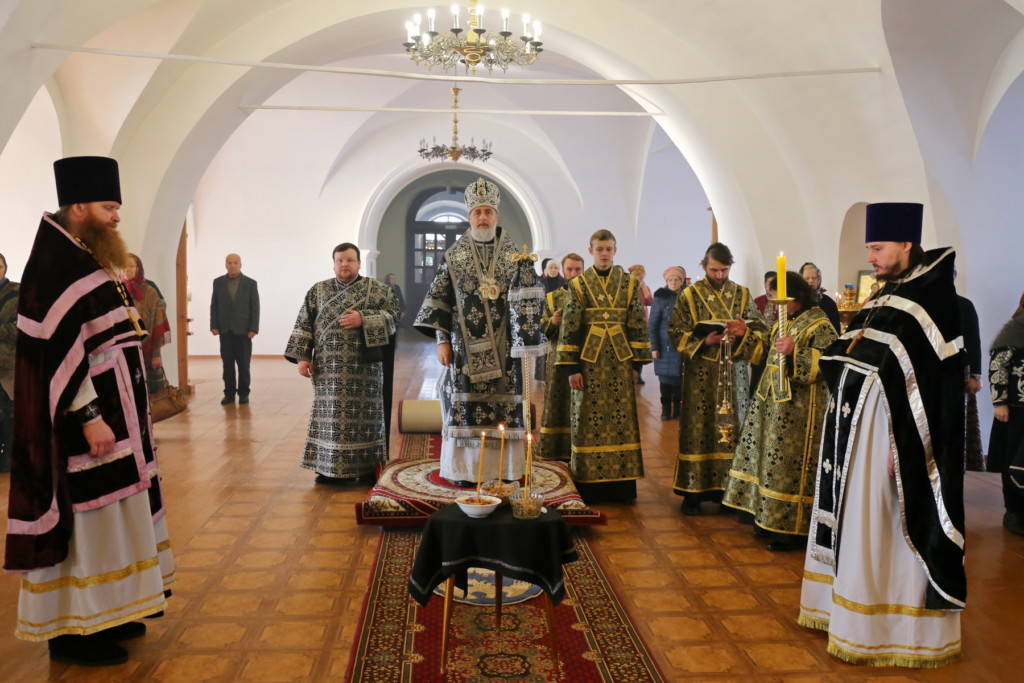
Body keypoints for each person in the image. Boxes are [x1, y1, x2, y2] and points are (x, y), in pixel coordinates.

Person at [4, 156, 174, 666]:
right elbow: (56, 355)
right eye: (108, 207)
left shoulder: (84, 257)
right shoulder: (56, 268)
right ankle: (73, 631)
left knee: (117, 518)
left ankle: (112, 613)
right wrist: (89, 416)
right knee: (90, 524)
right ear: (78, 206)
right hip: (88, 423)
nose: (117, 217)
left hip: (119, 417)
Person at [799, 202, 966, 668]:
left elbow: (937, 390)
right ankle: (849, 616)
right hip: (855, 443)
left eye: (877, 247)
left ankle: (894, 632)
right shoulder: (885, 296)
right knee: (860, 525)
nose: (870, 256)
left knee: (886, 529)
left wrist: (912, 448)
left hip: (892, 444)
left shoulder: (933, 300)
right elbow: (855, 356)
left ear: (905, 244)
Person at [414, 177, 545, 486]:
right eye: (477, 212)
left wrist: (528, 339)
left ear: (497, 216)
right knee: (466, 411)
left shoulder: (515, 256)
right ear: (469, 217)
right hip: (464, 348)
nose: (483, 217)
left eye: (488, 211)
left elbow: (531, 300)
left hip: (506, 348)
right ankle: (465, 472)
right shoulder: (454, 256)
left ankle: (505, 471)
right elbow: (438, 302)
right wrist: (442, 341)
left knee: (505, 410)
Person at [722, 272, 837, 550]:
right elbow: (765, 352)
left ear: (794, 297)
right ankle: (765, 521)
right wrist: (744, 335)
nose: (772, 302)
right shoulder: (786, 321)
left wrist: (796, 351)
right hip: (770, 404)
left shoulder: (819, 323)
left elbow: (832, 361)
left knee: (785, 467)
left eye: (775, 297)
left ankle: (789, 531)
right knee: (767, 463)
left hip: (798, 412)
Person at [285, 243, 400, 483]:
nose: (344, 265)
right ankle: (329, 470)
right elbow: (304, 323)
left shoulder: (377, 290)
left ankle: (367, 469)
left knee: (366, 422)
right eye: (340, 260)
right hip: (328, 370)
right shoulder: (318, 291)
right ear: (334, 263)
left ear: (359, 263)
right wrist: (303, 357)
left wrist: (364, 319)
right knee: (331, 419)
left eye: (349, 260)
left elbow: (393, 318)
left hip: (365, 371)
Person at [668, 242, 768, 514]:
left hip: (733, 372)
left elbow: (760, 329)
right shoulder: (690, 295)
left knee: (732, 427)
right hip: (701, 373)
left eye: (724, 270)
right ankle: (693, 492)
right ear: (704, 267)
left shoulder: (742, 294)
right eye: (714, 270)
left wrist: (742, 331)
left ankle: (731, 492)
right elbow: (675, 330)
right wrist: (704, 340)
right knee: (698, 427)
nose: (720, 275)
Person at [556, 230, 652, 503]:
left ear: (615, 250)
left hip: (620, 363)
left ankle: (621, 487)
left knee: (621, 421)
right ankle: (589, 487)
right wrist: (571, 368)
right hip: (588, 363)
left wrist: (637, 365)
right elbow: (570, 327)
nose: (605, 253)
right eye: (600, 249)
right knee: (589, 421)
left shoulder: (628, 283)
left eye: (609, 248)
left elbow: (636, 323)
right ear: (591, 251)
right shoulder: (579, 284)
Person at [539, 253, 585, 462]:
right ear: (563, 271)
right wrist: (553, 322)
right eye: (570, 270)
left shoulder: (591, 295)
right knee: (558, 402)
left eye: (578, 270)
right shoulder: (552, 297)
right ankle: (555, 450)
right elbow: (539, 328)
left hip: (585, 359)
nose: (574, 274)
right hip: (557, 359)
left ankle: (581, 449)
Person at [988, 291, 1024, 536]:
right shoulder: (1016, 327)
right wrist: (999, 401)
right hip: (1016, 410)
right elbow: (998, 365)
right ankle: (1015, 512)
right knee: (1013, 460)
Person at [210, 253, 259, 404]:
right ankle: (229, 393)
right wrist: (214, 325)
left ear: (240, 264)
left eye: (235, 262)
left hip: (244, 331)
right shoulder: (218, 282)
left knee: (244, 364)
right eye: (229, 263)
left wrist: (253, 328)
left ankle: (244, 393)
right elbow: (214, 305)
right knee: (227, 365)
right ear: (225, 264)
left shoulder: (250, 283)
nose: (232, 265)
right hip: (225, 331)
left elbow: (255, 307)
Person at [121, 253, 171, 394]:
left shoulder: (150, 291)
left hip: (146, 348)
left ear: (138, 268)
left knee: (146, 390)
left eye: (131, 266)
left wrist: (156, 354)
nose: (127, 269)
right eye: (123, 266)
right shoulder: (114, 290)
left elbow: (158, 324)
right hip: (121, 349)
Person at [649, 266, 686, 420]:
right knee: (665, 379)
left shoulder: (687, 296)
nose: (673, 282)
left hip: (682, 344)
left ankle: (677, 408)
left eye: (676, 279)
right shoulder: (660, 297)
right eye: (670, 279)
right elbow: (653, 324)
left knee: (679, 379)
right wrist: (654, 347)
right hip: (664, 346)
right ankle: (665, 409)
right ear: (666, 281)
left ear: (681, 281)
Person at [957, 283, 984, 471]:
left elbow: (974, 340)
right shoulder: (924, 304)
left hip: (960, 372)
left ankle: (960, 465)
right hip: (929, 373)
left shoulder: (964, 305)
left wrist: (975, 375)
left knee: (960, 424)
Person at [0, 252, 18, 473]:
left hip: (8, 364)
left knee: (11, 413)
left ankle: (11, 458)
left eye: (0, 265)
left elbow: (21, 327)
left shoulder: (17, 291)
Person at [628, 264, 653, 384]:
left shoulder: (645, 288)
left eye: (642, 277)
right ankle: (630, 373)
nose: (640, 279)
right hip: (630, 321)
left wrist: (644, 289)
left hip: (643, 321)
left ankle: (639, 374)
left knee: (641, 350)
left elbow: (650, 301)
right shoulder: (627, 287)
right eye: (638, 276)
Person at [798, 262, 841, 331]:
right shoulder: (797, 302)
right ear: (801, 280)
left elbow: (836, 330)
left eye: (814, 278)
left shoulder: (828, 302)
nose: (811, 281)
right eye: (807, 278)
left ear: (819, 280)